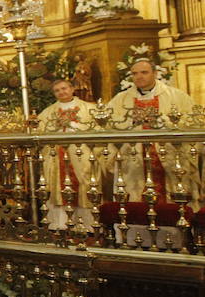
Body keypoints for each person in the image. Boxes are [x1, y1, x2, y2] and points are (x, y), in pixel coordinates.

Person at [108, 58, 200, 203]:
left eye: (144, 72)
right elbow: (109, 123)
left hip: (169, 155)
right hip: (133, 158)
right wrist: (131, 121)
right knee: (136, 199)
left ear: (155, 73)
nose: (139, 76)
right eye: (135, 73)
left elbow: (194, 122)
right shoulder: (121, 99)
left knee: (173, 200)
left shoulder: (176, 96)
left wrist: (162, 121)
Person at [36, 79, 96, 232]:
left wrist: (73, 125)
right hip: (56, 154)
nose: (61, 92)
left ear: (72, 89)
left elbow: (97, 128)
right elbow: (40, 130)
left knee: (85, 183)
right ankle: (60, 223)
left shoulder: (88, 108)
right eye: (57, 90)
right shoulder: (48, 112)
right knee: (56, 185)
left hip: (81, 153)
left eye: (64, 88)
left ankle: (85, 224)